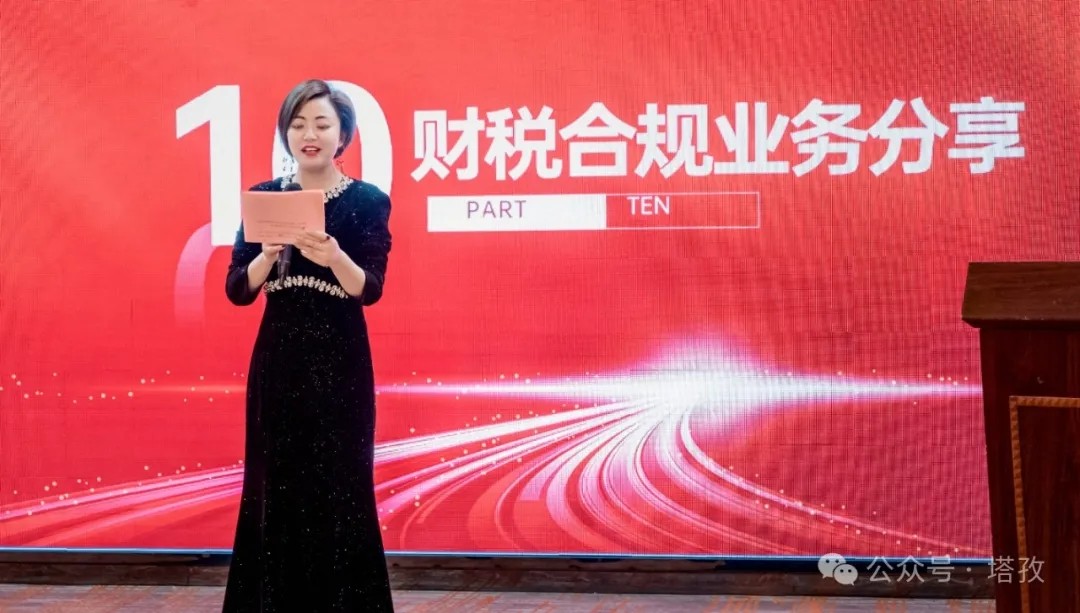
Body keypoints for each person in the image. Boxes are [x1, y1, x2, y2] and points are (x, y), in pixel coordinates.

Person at [223, 79, 395, 612]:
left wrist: (333, 256)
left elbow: (370, 288)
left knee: (341, 486)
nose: (309, 135)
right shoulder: (265, 197)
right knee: (275, 486)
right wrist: (266, 254)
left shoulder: (368, 201)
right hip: (280, 363)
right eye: (297, 125)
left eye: (322, 124)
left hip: (341, 363)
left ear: (343, 134)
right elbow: (237, 290)